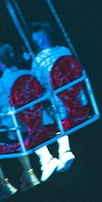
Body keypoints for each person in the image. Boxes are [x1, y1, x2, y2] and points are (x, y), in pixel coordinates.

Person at [0, 44, 41, 202]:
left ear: (0, 63)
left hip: (18, 132)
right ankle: (28, 174)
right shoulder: (30, 74)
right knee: (17, 129)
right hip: (35, 126)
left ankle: (3, 185)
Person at [29, 22, 78, 172]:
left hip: (60, 101)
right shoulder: (64, 50)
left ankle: (58, 153)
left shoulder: (39, 60)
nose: (40, 42)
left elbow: (37, 84)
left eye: (41, 38)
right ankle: (63, 151)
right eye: (38, 40)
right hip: (75, 97)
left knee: (35, 114)